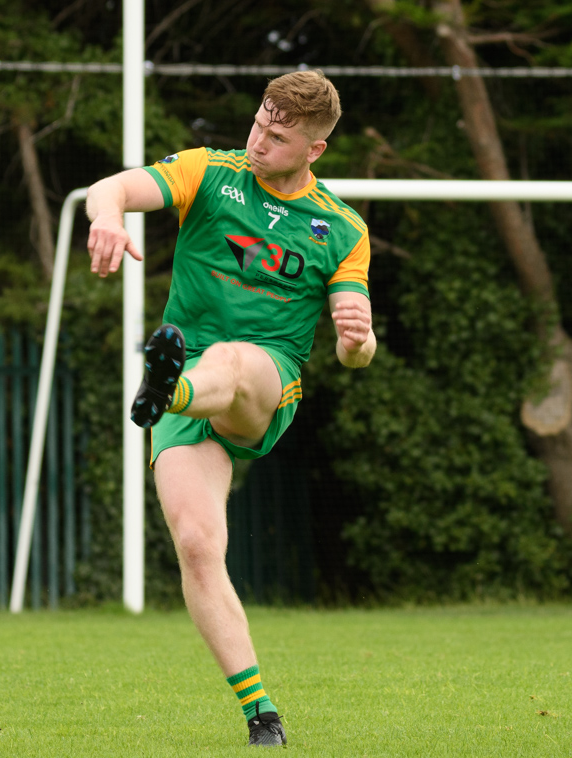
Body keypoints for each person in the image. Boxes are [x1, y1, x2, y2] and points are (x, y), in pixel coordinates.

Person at [84, 70, 375, 748]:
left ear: (314, 150)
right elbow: (116, 187)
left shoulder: (341, 229)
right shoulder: (208, 174)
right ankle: (261, 714)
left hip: (263, 385)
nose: (256, 142)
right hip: (183, 373)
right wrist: (104, 215)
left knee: (236, 360)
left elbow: (353, 356)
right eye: (256, 124)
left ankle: (166, 389)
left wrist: (356, 339)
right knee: (195, 542)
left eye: (276, 138)